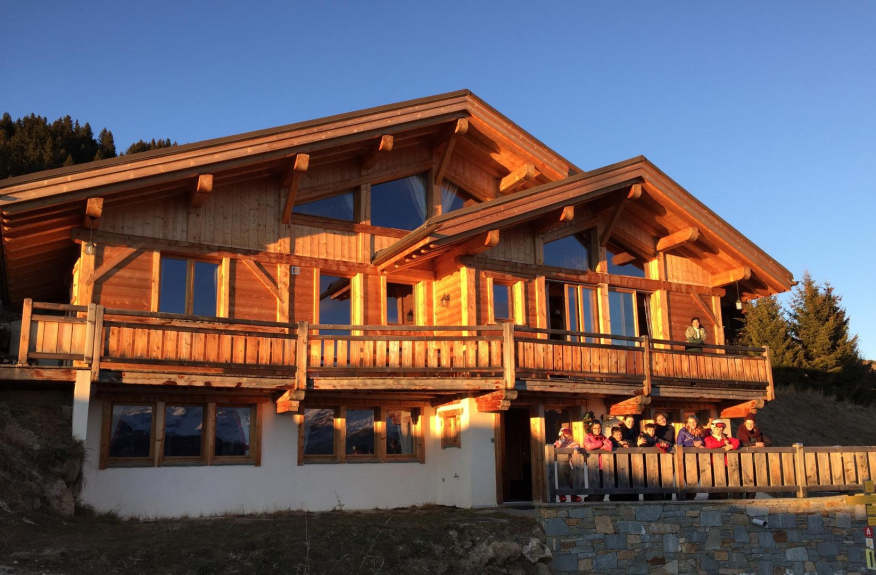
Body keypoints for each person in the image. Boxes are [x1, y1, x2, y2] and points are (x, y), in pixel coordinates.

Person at [704, 421, 741, 500]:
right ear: (713, 429)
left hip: (724, 464)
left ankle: (724, 500)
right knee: (713, 485)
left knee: (724, 484)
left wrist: (731, 446)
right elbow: (710, 445)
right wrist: (723, 443)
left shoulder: (725, 438)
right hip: (713, 464)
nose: (719, 431)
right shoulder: (708, 437)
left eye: (721, 429)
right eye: (717, 429)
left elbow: (736, 441)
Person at [583, 421, 613, 501]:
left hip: (603, 464)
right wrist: (601, 444)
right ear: (591, 428)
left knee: (603, 485)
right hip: (593, 464)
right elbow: (588, 446)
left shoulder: (603, 437)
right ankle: (590, 501)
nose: (597, 430)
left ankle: (600, 501)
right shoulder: (588, 437)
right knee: (594, 484)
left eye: (599, 428)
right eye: (595, 428)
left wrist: (598, 446)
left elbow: (609, 446)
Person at [553, 427, 582, 502]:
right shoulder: (558, 442)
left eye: (568, 434)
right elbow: (556, 446)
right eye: (565, 434)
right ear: (562, 434)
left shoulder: (571, 442)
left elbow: (577, 445)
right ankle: (562, 495)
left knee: (571, 479)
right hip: (561, 462)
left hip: (570, 462)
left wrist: (575, 449)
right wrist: (562, 440)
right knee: (562, 478)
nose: (567, 435)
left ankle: (573, 496)